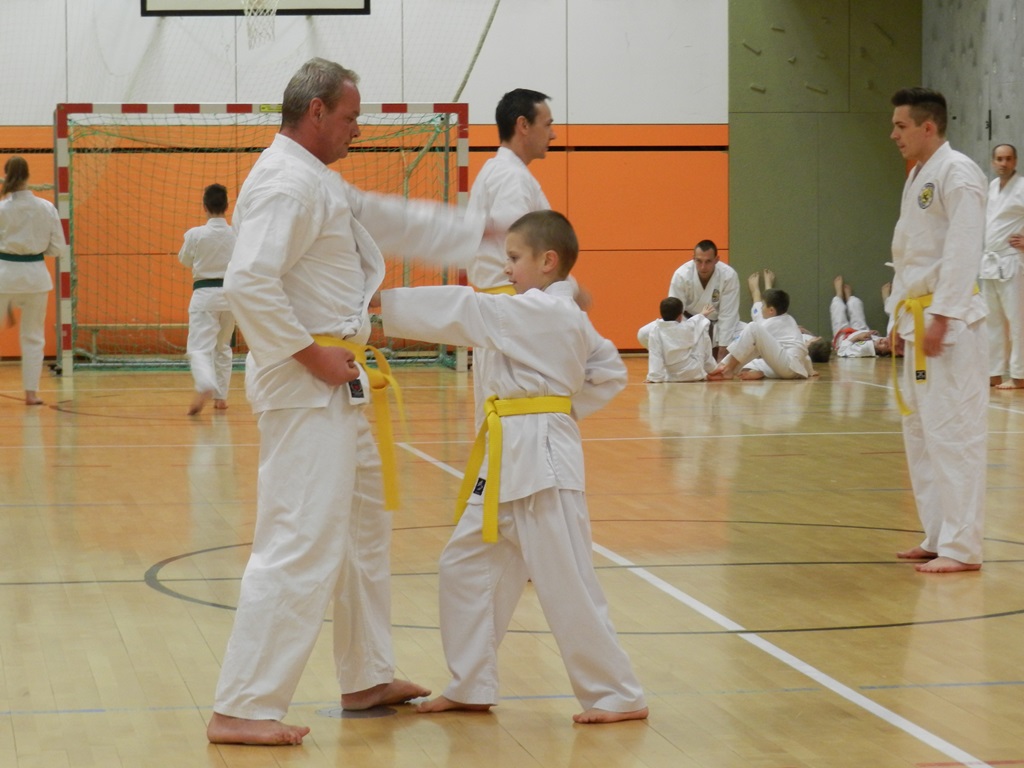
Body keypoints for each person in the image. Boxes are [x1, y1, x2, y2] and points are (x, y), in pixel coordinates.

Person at [206, 58, 485, 746]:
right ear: (317, 112)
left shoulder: (316, 180)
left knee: (363, 532)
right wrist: (309, 353)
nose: (358, 129)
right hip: (308, 379)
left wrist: (490, 234)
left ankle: (366, 675)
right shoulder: (285, 183)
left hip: (339, 377)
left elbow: (390, 217)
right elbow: (247, 282)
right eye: (352, 117)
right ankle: (242, 704)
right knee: (298, 537)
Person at [379, 210, 648, 725]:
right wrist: (558, 407)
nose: (506, 268)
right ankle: (470, 683)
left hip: (543, 456)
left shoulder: (545, 311)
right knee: (465, 565)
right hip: (510, 450)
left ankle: (619, 693)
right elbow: (609, 371)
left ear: (548, 261)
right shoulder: (551, 310)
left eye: (514, 258)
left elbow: (468, 310)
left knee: (566, 579)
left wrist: (382, 304)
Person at [888, 86, 987, 573]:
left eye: (901, 126)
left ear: (928, 127)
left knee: (954, 433)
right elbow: (909, 254)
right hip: (917, 322)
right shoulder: (918, 176)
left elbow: (965, 248)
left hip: (949, 326)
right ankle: (937, 534)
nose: (893, 135)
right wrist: (896, 318)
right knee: (922, 434)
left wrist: (944, 314)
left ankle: (963, 547)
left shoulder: (958, 172)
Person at [467, 88, 555, 294]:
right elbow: (520, 244)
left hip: (506, 293)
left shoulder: (499, 170)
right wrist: (569, 286)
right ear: (523, 125)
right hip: (512, 295)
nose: (553, 134)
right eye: (547, 125)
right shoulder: (511, 176)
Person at [0, 155, 66, 405]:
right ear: (28, 176)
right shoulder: (46, 208)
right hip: (36, 277)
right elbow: (58, 248)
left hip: (4, 276)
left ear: (6, 175)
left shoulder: (2, 208)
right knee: (33, 338)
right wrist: (34, 249)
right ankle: (31, 393)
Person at [177, 183, 236, 415]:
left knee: (199, 348)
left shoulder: (195, 234)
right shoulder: (237, 233)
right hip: (230, 296)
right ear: (227, 206)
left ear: (204, 206)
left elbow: (185, 260)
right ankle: (221, 398)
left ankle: (205, 384)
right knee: (223, 347)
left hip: (204, 296)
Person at [980, 143, 1024, 389]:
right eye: (999, 159)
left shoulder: (1022, 186)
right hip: (990, 262)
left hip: (1013, 261)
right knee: (992, 321)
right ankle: (993, 372)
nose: (1003, 163)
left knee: (1018, 322)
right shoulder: (992, 187)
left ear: (1015, 161)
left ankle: (1019, 375)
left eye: (1008, 159)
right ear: (993, 161)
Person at [708, 288, 817, 380]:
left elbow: (749, 340)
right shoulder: (788, 320)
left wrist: (725, 364)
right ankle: (756, 371)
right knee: (754, 359)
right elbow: (801, 351)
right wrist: (810, 370)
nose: (761, 308)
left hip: (787, 366)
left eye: (763, 305)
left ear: (771, 310)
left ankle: (727, 369)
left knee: (752, 328)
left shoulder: (774, 323)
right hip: (793, 369)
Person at [667, 239, 740, 360]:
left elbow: (728, 314)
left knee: (747, 332)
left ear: (716, 259)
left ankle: (717, 354)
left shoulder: (728, 275)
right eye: (699, 261)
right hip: (689, 324)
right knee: (645, 333)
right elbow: (674, 312)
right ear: (693, 258)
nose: (703, 267)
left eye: (708, 261)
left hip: (716, 326)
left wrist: (723, 350)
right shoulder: (681, 275)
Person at [636, 297, 716, 382]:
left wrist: (654, 378)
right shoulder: (687, 327)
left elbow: (655, 355)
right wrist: (702, 315)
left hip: (670, 375)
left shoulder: (655, 330)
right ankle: (711, 369)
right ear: (680, 316)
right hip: (694, 373)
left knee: (656, 350)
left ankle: (656, 375)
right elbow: (696, 322)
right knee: (702, 327)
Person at [829, 275, 893, 357]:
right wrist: (876, 335)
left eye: (886, 345)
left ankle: (839, 295)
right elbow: (883, 342)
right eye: (887, 340)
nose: (884, 341)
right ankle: (850, 299)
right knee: (856, 305)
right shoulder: (879, 344)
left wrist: (856, 337)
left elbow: (842, 351)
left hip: (843, 338)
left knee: (838, 313)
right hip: (862, 332)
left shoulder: (864, 350)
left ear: (882, 353)